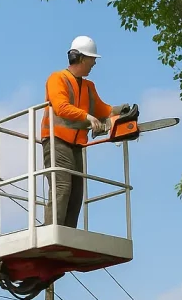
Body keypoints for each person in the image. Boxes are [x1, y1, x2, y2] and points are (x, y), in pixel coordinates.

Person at [40, 35, 126, 228]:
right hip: (56, 141)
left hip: (77, 145)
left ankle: (68, 233)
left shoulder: (88, 87)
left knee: (77, 192)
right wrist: (87, 117)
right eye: (92, 59)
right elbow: (61, 106)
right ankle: (52, 231)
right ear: (80, 58)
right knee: (62, 187)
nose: (94, 63)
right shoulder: (57, 79)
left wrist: (121, 111)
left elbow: (102, 109)